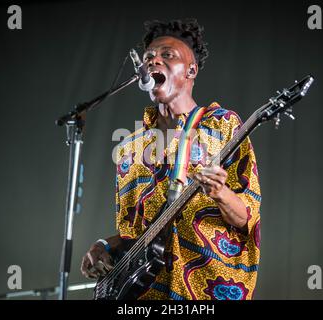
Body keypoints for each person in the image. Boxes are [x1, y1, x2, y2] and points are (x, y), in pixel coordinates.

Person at [81, 18, 261, 300]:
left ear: (191, 70)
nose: (154, 62)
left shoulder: (223, 126)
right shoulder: (129, 148)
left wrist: (221, 193)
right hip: (145, 294)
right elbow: (133, 235)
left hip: (205, 290)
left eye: (167, 55)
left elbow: (247, 217)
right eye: (148, 58)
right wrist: (105, 244)